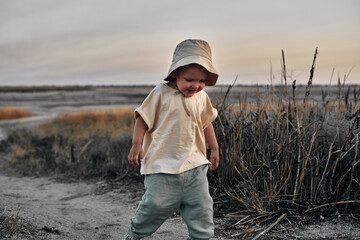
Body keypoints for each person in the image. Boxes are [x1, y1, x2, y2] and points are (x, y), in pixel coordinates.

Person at [125, 39, 219, 240]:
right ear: (175, 73)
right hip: (162, 165)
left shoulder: (202, 98)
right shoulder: (161, 92)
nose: (196, 86)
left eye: (202, 81)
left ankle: (201, 237)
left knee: (202, 208)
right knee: (154, 206)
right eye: (190, 79)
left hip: (195, 165)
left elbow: (206, 123)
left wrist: (215, 148)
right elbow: (143, 118)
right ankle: (135, 235)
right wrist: (136, 145)